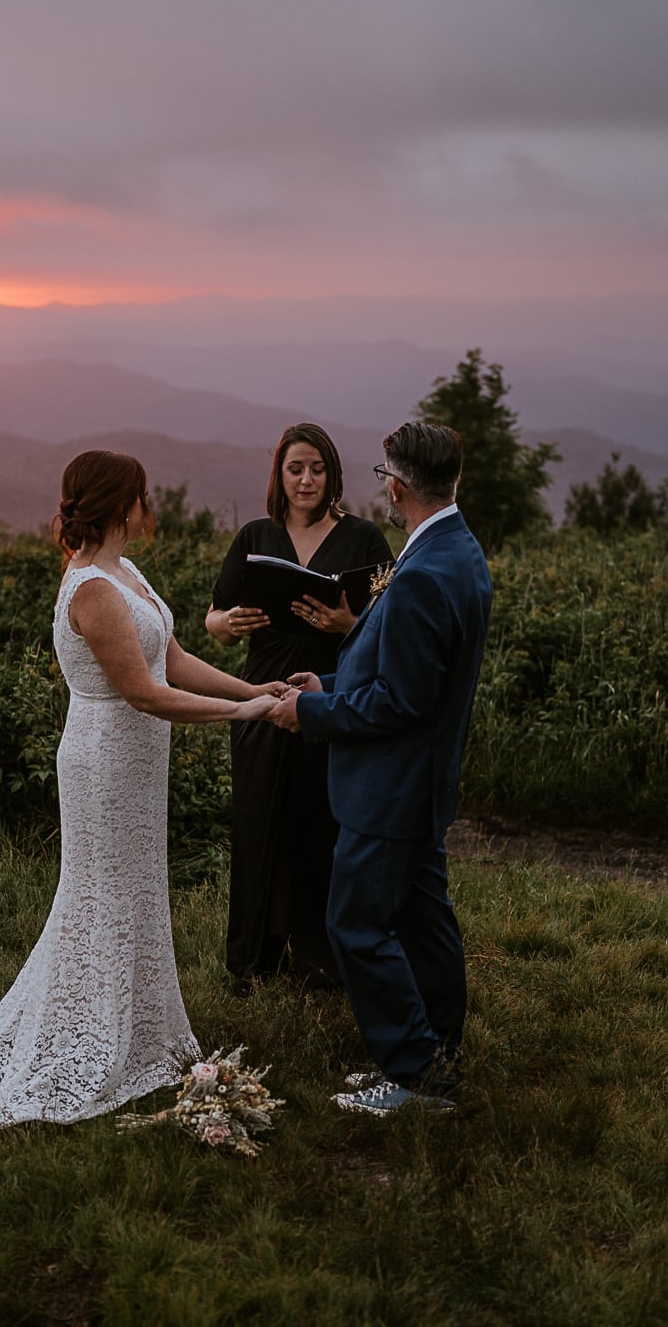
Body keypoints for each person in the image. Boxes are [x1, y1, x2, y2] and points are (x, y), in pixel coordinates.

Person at [0, 450, 283, 1159]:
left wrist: (258, 688)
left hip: (138, 760)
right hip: (104, 758)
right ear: (118, 503)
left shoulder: (126, 570)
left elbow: (176, 659)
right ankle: (91, 1034)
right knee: (100, 891)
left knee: (133, 888)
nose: (148, 502)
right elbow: (143, 691)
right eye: (140, 493)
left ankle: (131, 1026)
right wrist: (248, 714)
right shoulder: (93, 589)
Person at [268, 421, 492, 1115]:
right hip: (421, 781)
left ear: (395, 487)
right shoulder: (459, 549)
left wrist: (311, 715)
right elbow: (406, 676)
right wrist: (329, 685)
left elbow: (398, 703)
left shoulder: (424, 573)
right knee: (425, 921)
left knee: (356, 925)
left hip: (389, 787)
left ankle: (417, 1073)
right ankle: (442, 1050)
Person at [206, 423, 393, 990]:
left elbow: (391, 625)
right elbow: (213, 620)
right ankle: (253, 959)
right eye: (295, 469)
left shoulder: (363, 539)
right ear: (280, 477)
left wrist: (347, 623)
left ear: (331, 474)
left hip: (331, 692)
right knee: (260, 821)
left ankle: (321, 960)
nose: (306, 479)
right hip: (259, 694)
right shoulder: (254, 537)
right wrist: (228, 624)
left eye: (315, 468)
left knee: (323, 823)